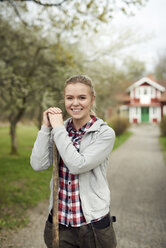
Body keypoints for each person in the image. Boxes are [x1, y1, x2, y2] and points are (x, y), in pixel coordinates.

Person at [30, 75, 117, 248]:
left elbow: (78, 165)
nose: (75, 103)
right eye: (69, 98)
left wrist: (58, 129)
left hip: (93, 225)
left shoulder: (104, 133)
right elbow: (38, 164)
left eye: (82, 97)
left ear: (92, 100)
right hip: (60, 223)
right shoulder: (58, 130)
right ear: (64, 99)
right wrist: (46, 127)